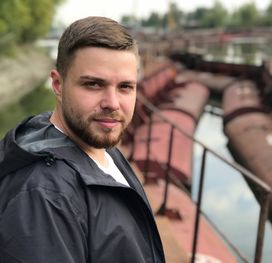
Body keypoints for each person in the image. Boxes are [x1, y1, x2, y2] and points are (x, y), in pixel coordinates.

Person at [0, 16, 165, 262]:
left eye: (125, 87)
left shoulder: (102, 148)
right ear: (57, 84)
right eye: (93, 84)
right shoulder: (44, 195)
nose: (112, 103)